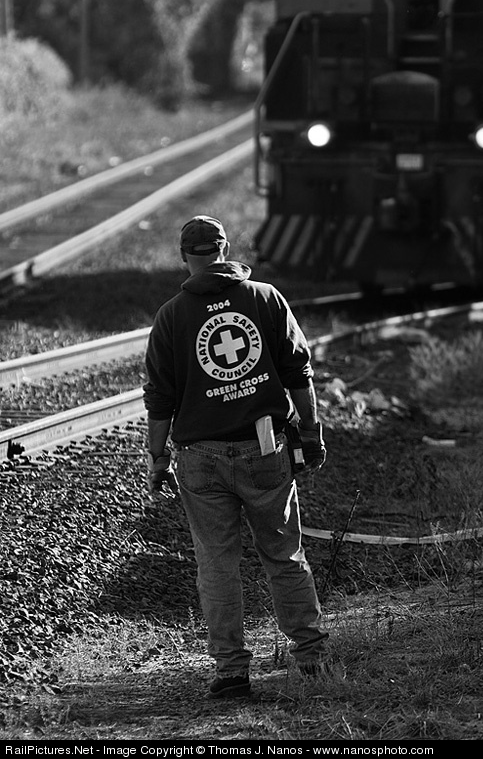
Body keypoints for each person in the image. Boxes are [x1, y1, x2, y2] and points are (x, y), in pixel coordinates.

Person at [143, 215, 328, 699]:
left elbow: (159, 398)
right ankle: (311, 658)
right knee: (284, 553)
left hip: (199, 458)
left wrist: (158, 458)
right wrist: (311, 432)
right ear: (225, 248)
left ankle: (230, 673)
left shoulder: (170, 316)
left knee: (216, 564)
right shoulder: (266, 298)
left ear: (184, 257)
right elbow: (299, 373)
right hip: (264, 449)